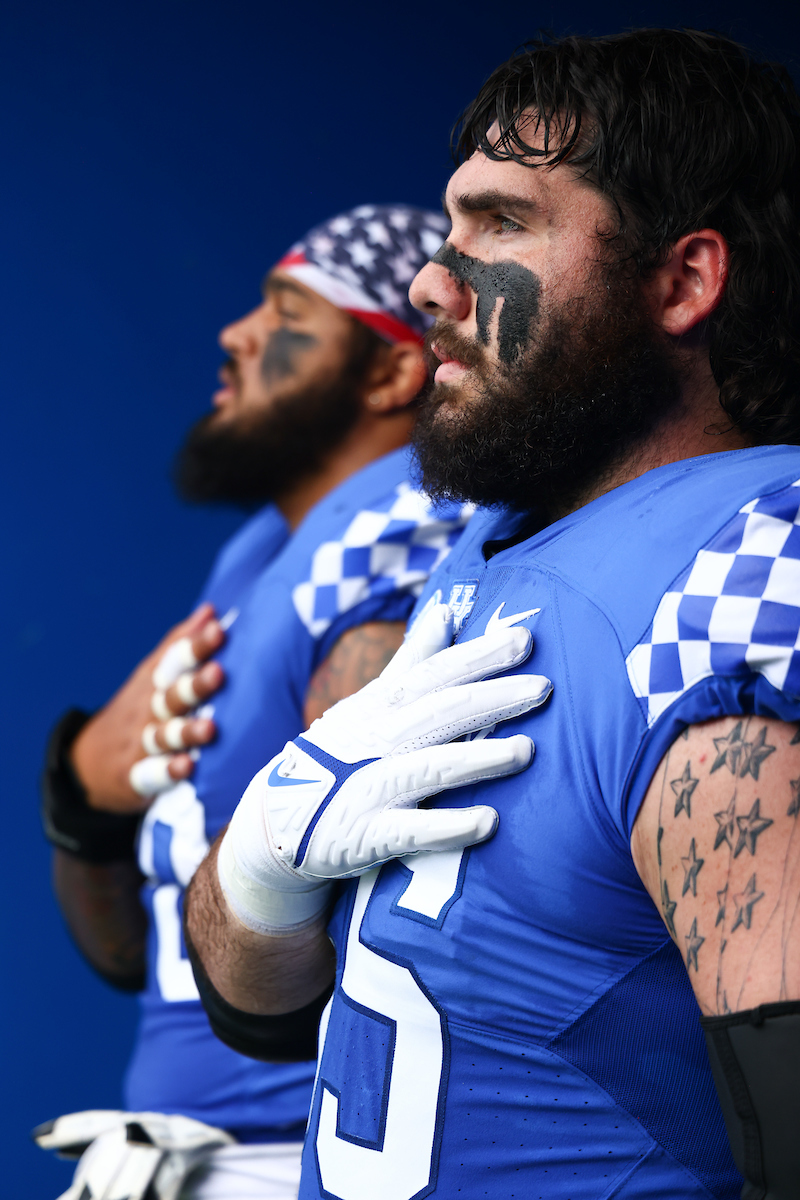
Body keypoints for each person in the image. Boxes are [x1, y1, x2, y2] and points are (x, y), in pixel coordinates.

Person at [185, 30, 800, 1200]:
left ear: (682, 282)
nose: (430, 280)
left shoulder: (748, 560)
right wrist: (262, 865)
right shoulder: (486, 540)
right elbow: (269, 1022)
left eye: (502, 221)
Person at [37, 203, 468, 1200]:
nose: (236, 332)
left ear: (392, 371)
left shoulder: (394, 535)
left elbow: (393, 938)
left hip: (291, 1156)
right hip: (179, 1154)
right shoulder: (264, 553)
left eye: (287, 312)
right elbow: (141, 956)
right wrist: (83, 798)